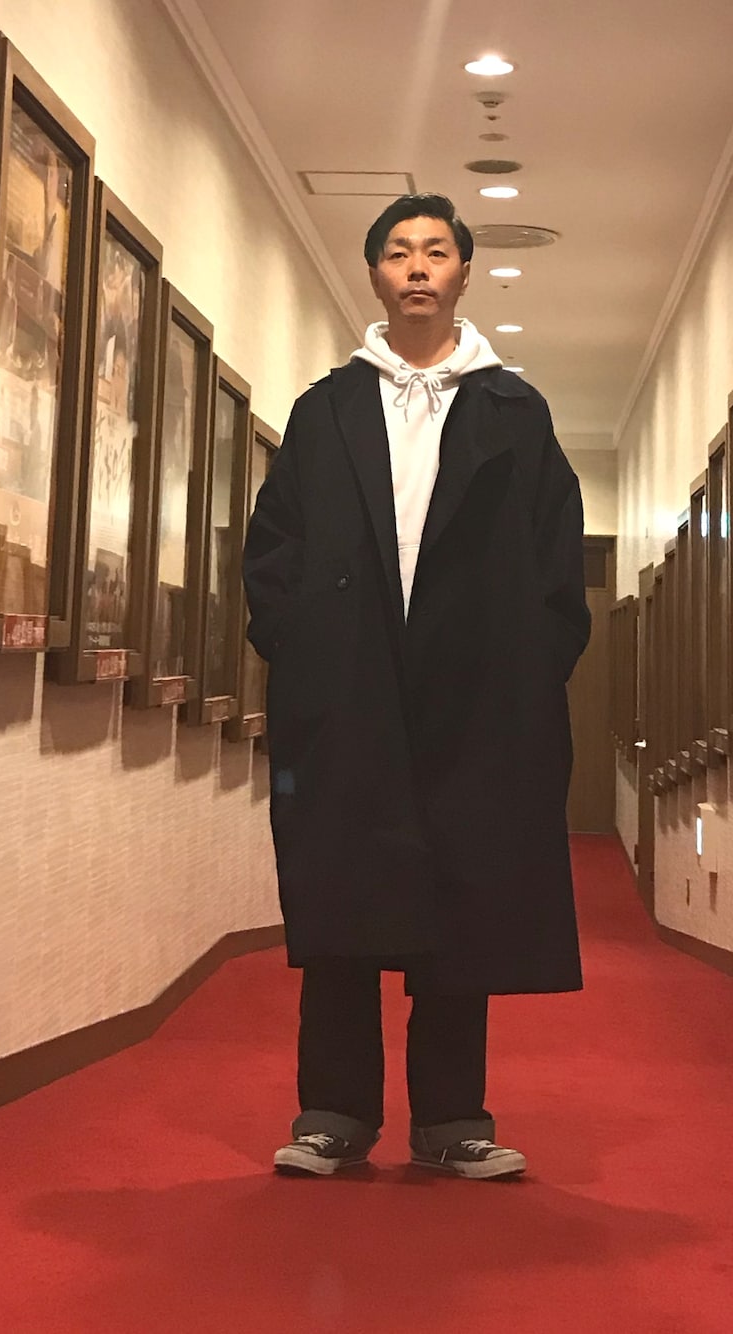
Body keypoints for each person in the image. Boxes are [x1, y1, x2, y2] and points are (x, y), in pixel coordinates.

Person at [242, 193, 590, 1181]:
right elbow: (274, 549)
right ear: (375, 275)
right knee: (341, 893)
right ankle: (333, 1111)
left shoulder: (516, 412)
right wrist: (301, 654)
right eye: (398, 252)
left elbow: (554, 560)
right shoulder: (325, 410)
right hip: (347, 689)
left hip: (472, 699)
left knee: (460, 897)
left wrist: (528, 668)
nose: (418, 267)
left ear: (463, 272)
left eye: (436, 251)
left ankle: (451, 1119)